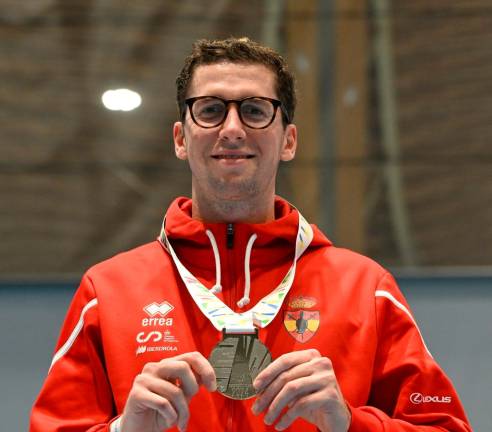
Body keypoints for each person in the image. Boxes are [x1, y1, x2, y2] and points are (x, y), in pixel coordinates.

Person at [30, 37, 471, 432]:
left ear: (289, 141)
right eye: (211, 110)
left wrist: (350, 424)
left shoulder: (366, 288)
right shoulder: (106, 291)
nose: (233, 128)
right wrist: (123, 431)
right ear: (181, 138)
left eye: (256, 110)